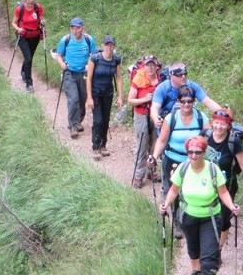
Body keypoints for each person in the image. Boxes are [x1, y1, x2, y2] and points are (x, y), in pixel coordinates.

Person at [159, 136, 241, 275]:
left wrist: (232, 206)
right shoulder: (183, 168)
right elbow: (174, 189)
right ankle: (196, 271)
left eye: (197, 152)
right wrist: (165, 204)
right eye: (190, 152)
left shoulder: (213, 169)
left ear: (203, 153)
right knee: (194, 249)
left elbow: (223, 192)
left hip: (211, 217)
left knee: (209, 259)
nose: (193, 155)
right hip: (188, 216)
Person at [148, 85, 212, 239]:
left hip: (195, 162)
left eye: (189, 101)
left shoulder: (202, 118)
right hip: (174, 160)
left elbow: (209, 141)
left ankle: (193, 219)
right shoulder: (171, 119)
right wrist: (154, 156)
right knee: (175, 191)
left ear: (194, 101)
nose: (186, 104)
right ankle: (177, 221)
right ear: (178, 101)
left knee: (193, 190)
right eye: (183, 101)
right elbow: (162, 141)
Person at [202, 107, 243, 251]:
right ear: (212, 122)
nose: (218, 126)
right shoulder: (204, 136)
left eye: (223, 124)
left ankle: (218, 249)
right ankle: (206, 246)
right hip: (205, 184)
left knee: (223, 220)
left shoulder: (233, 141)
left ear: (228, 125)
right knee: (204, 218)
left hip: (227, 186)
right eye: (216, 123)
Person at [150, 61, 221, 134]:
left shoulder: (192, 85)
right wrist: (156, 119)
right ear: (171, 76)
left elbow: (208, 102)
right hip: (167, 123)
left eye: (185, 73)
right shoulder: (162, 88)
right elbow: (154, 107)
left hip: (188, 120)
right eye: (179, 75)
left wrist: (223, 113)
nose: (183, 76)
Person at [55, 18, 97, 139]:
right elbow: (59, 55)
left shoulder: (89, 40)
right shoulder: (66, 40)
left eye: (77, 28)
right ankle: (73, 125)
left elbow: (94, 55)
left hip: (84, 74)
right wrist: (62, 64)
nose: (75, 30)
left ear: (82, 28)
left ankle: (78, 121)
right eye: (73, 28)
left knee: (82, 98)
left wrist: (90, 65)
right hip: (69, 73)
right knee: (73, 99)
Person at [127, 55, 162, 188]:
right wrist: (145, 99)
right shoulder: (139, 78)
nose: (150, 67)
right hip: (141, 115)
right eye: (148, 65)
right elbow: (130, 100)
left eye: (153, 64)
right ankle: (138, 175)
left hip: (156, 116)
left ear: (157, 66)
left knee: (154, 144)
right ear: (144, 66)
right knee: (142, 145)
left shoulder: (161, 79)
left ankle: (151, 171)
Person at [86, 36, 123, 160]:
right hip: (96, 93)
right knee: (98, 120)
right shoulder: (95, 58)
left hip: (108, 93)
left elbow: (118, 78)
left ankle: (103, 145)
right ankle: (95, 147)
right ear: (102, 46)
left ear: (114, 46)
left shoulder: (116, 60)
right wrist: (89, 97)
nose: (109, 47)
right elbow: (89, 78)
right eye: (107, 45)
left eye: (111, 45)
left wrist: (120, 97)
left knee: (106, 120)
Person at [11, 0, 45, 92]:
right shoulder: (20, 9)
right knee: (28, 58)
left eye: (32, 2)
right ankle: (29, 84)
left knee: (29, 57)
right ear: (24, 0)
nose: (30, 4)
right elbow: (13, 23)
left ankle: (23, 71)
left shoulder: (37, 7)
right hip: (23, 36)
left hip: (35, 36)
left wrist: (43, 22)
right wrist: (18, 29)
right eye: (28, 2)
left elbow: (41, 21)